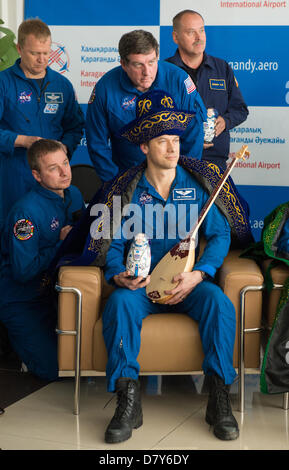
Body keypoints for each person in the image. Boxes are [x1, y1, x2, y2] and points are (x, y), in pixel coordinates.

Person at [87, 89, 239, 443]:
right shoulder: (127, 189)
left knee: (218, 302)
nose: (172, 149)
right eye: (162, 142)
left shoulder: (198, 184)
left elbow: (219, 236)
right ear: (144, 148)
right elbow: (112, 245)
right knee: (119, 304)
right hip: (140, 288)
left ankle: (218, 398)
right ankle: (128, 398)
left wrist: (198, 275)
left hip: (187, 283)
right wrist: (118, 275)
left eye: (175, 140)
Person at [0, 139, 85, 382]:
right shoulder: (25, 213)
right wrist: (62, 244)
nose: (64, 172)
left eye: (66, 163)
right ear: (37, 175)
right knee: (57, 370)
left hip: (56, 295)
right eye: (53, 168)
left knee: (82, 364)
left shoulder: (75, 194)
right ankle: (20, 352)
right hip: (23, 300)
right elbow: (23, 271)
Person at [85, 29, 207, 183]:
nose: (147, 72)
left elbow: (194, 133)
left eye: (151, 62)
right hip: (126, 177)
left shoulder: (179, 80)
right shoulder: (105, 88)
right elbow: (97, 144)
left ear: (157, 57)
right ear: (123, 64)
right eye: (138, 65)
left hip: (174, 176)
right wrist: (115, 184)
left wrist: (184, 178)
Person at [0, 18, 84, 231]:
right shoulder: (4, 83)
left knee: (57, 233)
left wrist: (65, 147)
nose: (42, 59)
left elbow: (75, 126)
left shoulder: (61, 84)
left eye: (46, 53)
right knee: (16, 234)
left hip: (51, 178)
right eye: (34, 53)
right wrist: (21, 140)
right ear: (19, 49)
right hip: (14, 174)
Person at [166, 10, 249, 169]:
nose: (199, 37)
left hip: (214, 164)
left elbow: (240, 109)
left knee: (217, 196)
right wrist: (191, 138)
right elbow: (155, 119)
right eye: (191, 32)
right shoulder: (164, 71)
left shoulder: (222, 68)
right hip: (175, 162)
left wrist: (225, 121)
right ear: (175, 37)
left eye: (202, 30)